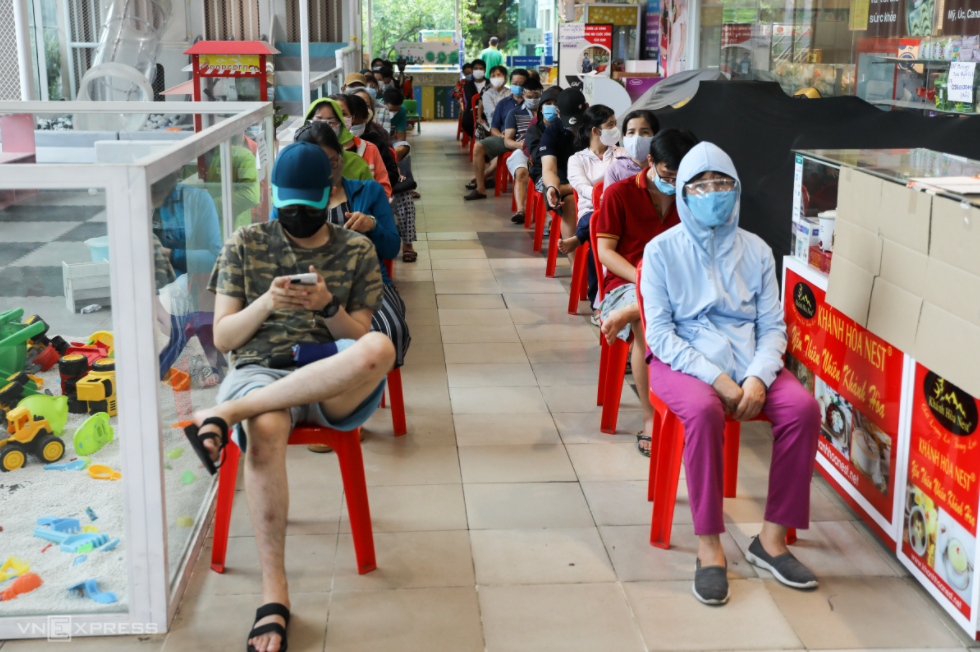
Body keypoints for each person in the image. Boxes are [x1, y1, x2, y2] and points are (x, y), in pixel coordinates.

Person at [185, 141, 395, 652]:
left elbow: (357, 335)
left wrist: (325, 305)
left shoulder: (356, 249)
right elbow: (227, 339)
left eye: (308, 207)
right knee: (266, 431)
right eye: (288, 208)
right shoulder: (246, 242)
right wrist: (266, 301)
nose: (297, 217)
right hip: (260, 372)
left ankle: (223, 413)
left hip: (330, 373)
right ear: (272, 199)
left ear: (330, 197)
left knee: (379, 347)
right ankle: (273, 594)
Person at [640, 141, 820, 605]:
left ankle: (771, 539)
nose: (711, 192)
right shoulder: (661, 251)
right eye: (699, 185)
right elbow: (660, 336)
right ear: (681, 191)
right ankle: (709, 547)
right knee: (702, 413)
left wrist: (759, 377)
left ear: (736, 189)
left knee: (802, 409)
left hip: (748, 361)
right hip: (683, 363)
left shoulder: (756, 251)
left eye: (721, 183)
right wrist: (717, 379)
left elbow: (772, 327)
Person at [595, 128, 698, 458]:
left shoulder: (694, 196)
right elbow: (605, 252)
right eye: (670, 173)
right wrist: (642, 276)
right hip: (626, 283)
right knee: (647, 322)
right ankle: (650, 416)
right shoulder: (620, 194)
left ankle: (692, 406)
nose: (676, 180)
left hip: (680, 284)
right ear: (651, 161)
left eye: (684, 174)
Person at [293, 121, 411, 405]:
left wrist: (372, 225)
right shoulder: (291, 199)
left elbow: (392, 246)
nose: (327, 171)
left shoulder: (367, 191)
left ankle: (348, 407)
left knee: (385, 331)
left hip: (368, 284)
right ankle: (328, 405)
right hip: (311, 288)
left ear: (341, 158)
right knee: (302, 336)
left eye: (333, 162)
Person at [152, 171, 226, 386]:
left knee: (194, 324)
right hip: (165, 286)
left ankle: (212, 361)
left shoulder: (196, 200)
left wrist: (166, 253)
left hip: (194, 282)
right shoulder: (135, 201)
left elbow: (214, 256)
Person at [350, 89, 419, 262]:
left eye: (364, 107)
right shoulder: (332, 143)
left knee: (404, 196)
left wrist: (395, 176)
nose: (354, 116)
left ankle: (408, 244)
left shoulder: (376, 137)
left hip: (379, 191)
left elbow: (389, 163)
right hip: (348, 197)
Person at [463, 68, 528, 200]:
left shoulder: (532, 102)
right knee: (478, 147)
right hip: (505, 139)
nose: (518, 87)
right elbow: (494, 128)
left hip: (527, 141)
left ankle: (489, 173)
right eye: (515, 83)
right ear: (510, 82)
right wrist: (501, 136)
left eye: (521, 84)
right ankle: (480, 189)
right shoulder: (503, 103)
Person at [540, 88, 587, 263]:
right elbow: (549, 169)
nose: (574, 130)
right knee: (569, 204)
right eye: (570, 125)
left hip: (594, 181)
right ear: (558, 113)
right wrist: (552, 187)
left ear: (586, 109)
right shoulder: (551, 133)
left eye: (578, 124)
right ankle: (576, 270)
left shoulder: (597, 127)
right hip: (563, 183)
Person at [327, 94, 392, 197]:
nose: (338, 118)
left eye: (343, 113)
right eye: (333, 114)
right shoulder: (313, 152)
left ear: (352, 118)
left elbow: (384, 187)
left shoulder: (370, 149)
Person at [501, 76, 542, 222]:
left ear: (541, 94)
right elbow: (507, 141)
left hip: (543, 148)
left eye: (536, 96)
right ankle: (521, 210)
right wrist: (522, 145)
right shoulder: (515, 113)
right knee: (521, 172)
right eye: (529, 96)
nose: (533, 99)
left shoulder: (547, 113)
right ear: (523, 94)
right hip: (521, 148)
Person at [605, 109, 660, 187]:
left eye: (644, 132)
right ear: (624, 137)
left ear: (655, 136)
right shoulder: (614, 170)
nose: (637, 138)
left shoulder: (663, 166)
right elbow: (610, 198)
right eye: (631, 132)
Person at [460, 59, 487, 140]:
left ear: (485, 70)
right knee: (471, 119)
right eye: (475, 68)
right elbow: (470, 99)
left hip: (489, 111)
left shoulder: (490, 83)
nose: (478, 70)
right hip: (472, 111)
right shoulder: (468, 85)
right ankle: (480, 138)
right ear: (472, 70)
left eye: (481, 68)